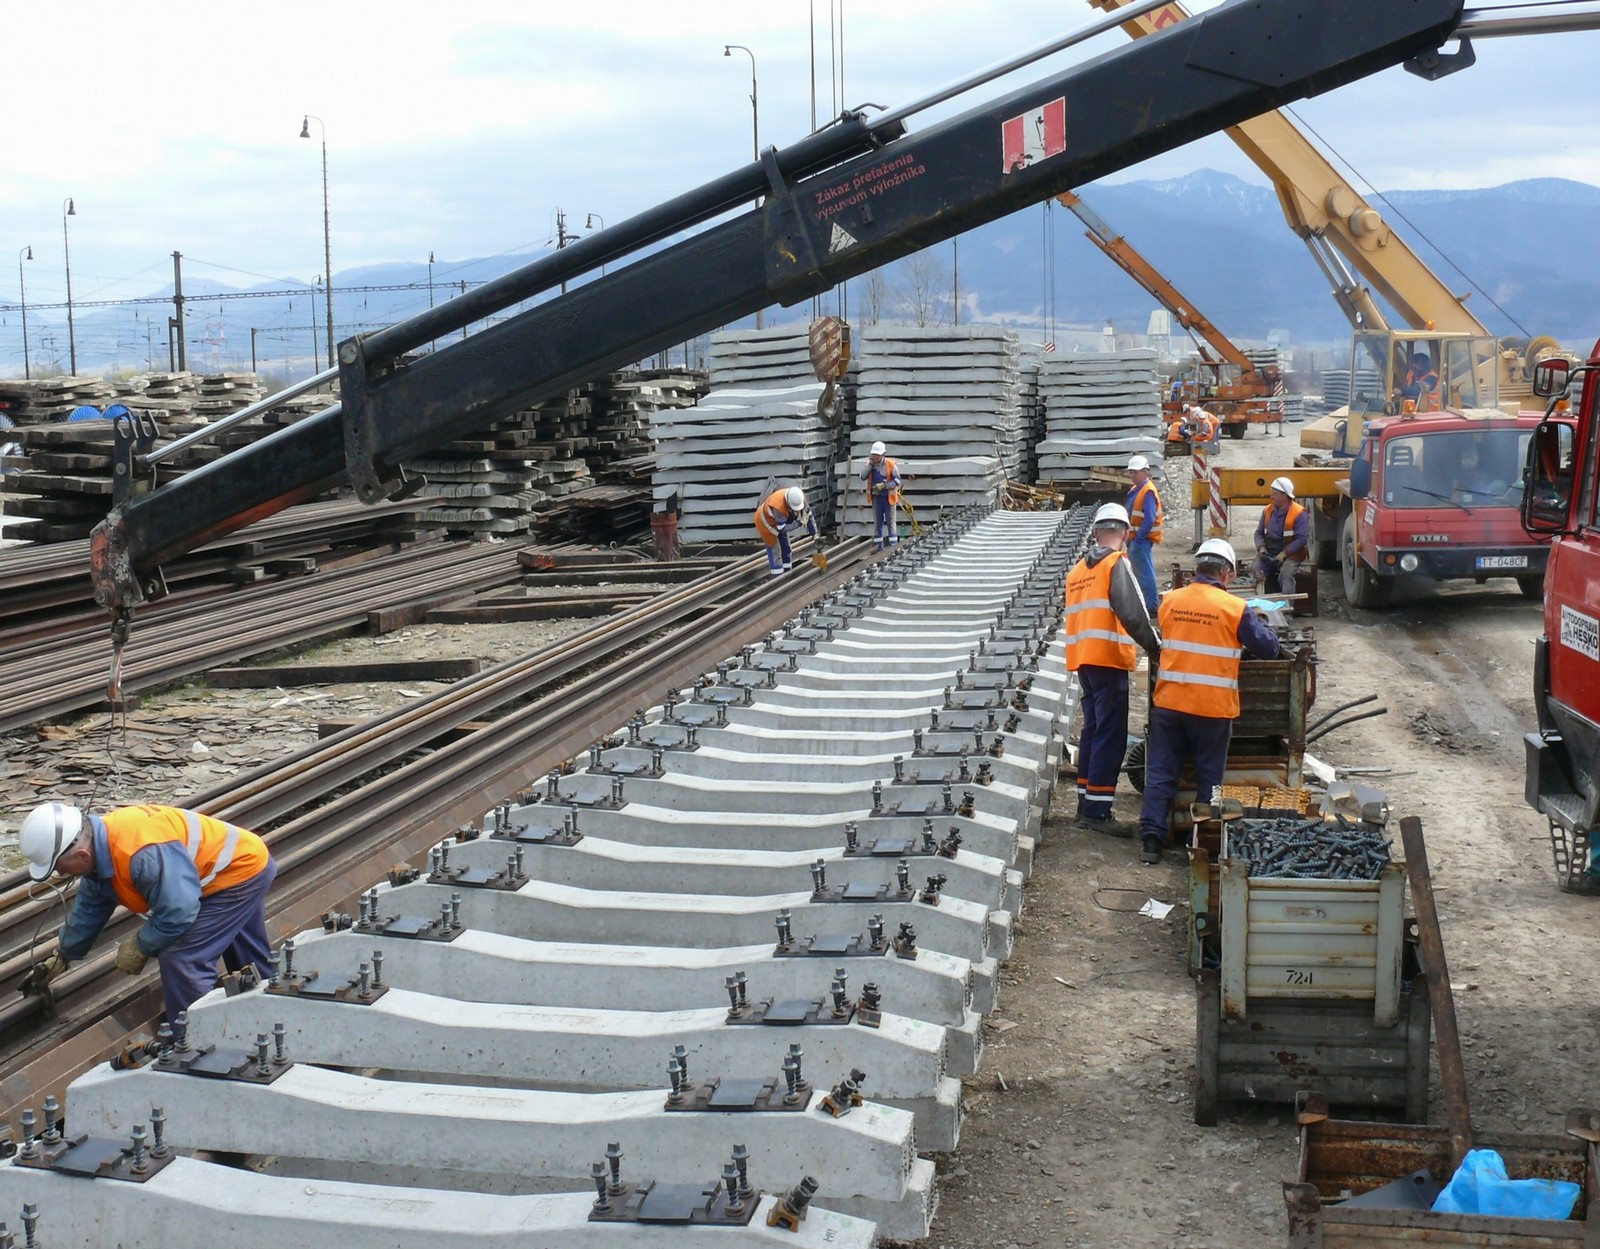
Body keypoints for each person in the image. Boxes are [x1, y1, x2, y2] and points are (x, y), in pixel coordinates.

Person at [20, 801, 277, 1021]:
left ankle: (200, 1046)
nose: (61, 874)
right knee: (245, 952)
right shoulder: (102, 849)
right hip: (231, 868)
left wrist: (141, 946)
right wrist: (63, 956)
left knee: (182, 958)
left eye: (60, 867)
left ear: (82, 854)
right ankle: (273, 1008)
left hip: (239, 873)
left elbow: (179, 911)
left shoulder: (139, 853)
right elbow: (90, 908)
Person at [1138, 539, 1281, 865]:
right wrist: (1262, 621)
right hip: (1212, 710)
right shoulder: (1234, 608)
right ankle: (1199, 843)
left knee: (1161, 772)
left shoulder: (1170, 600)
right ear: (1227, 574)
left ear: (1197, 568)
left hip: (1171, 703)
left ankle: (1150, 842)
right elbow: (1268, 649)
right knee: (1209, 780)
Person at [1064, 503, 1161, 837]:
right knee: (1110, 735)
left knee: (1093, 731)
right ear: (1125, 534)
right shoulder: (1115, 563)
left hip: (1084, 662)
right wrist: (1155, 646)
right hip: (1107, 659)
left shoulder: (1077, 571)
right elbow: (1133, 612)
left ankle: (1085, 801)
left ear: (1096, 532)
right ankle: (1097, 811)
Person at [1253, 476, 1311, 598]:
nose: (1271, 497)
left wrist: (1285, 553)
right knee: (1254, 571)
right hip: (1269, 553)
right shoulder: (1267, 511)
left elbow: (1301, 539)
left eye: (1274, 494)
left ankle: (1287, 610)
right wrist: (1261, 548)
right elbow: (1258, 533)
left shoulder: (1299, 513)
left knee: (1285, 575)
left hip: (1292, 555)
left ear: (1284, 496)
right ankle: (1257, 607)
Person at [1125, 455, 1164, 614]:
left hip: (1141, 540)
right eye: (1131, 472)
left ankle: (1151, 606)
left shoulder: (1147, 491)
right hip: (1135, 539)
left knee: (1145, 574)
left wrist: (1139, 537)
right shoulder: (1136, 489)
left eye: (1135, 472)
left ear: (1145, 472)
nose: (1132, 475)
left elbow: (1149, 518)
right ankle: (1145, 603)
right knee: (1140, 572)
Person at [753, 485, 817, 576]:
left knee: (786, 548)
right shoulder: (778, 507)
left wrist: (815, 534)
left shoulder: (799, 498)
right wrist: (799, 523)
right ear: (788, 503)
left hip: (778, 522)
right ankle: (777, 579)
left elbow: (809, 515)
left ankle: (787, 574)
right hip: (765, 522)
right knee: (776, 551)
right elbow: (782, 529)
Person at [862, 441, 902, 550]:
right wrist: (869, 466)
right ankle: (879, 547)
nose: (874, 457)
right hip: (877, 498)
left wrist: (884, 485)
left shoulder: (890, 464)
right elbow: (862, 476)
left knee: (891, 523)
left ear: (882, 454)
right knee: (878, 523)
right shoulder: (870, 464)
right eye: (873, 455)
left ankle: (893, 547)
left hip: (889, 498)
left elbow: (897, 480)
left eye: (876, 455)